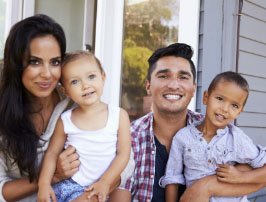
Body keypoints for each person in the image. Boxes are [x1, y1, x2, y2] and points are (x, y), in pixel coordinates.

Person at [124, 43, 266, 202]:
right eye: (163, 76)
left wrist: (207, 186)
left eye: (183, 77)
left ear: (194, 88)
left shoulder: (228, 134)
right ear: (148, 86)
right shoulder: (128, 139)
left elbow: (259, 172)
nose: (173, 85)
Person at [0, 14, 80, 202]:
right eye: (34, 62)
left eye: (55, 62)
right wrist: (52, 176)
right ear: (16, 64)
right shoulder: (3, 113)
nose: (47, 74)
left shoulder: (75, 105)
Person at [37, 51, 132, 202]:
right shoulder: (65, 120)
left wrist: (105, 182)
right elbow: (52, 153)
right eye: (75, 82)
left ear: (103, 76)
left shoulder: (119, 116)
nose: (85, 85)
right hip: (72, 185)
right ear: (65, 91)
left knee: (124, 195)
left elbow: (123, 154)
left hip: (108, 183)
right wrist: (43, 184)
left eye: (91, 76)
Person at [160, 71, 266, 202]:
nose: (225, 109)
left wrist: (240, 177)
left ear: (239, 112)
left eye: (234, 105)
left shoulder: (237, 139)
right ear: (206, 97)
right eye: (220, 99)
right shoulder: (183, 138)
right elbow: (172, 178)